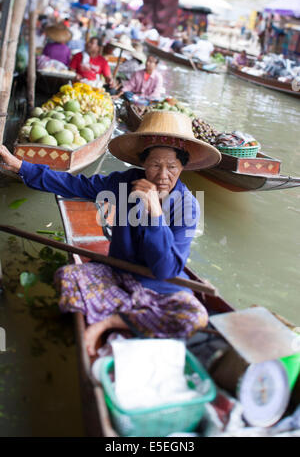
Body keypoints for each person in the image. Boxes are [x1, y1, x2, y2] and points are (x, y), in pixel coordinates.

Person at [0, 111, 221, 356]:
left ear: (183, 166)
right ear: (143, 163)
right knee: (67, 277)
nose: (162, 176)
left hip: (160, 288)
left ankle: (111, 322)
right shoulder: (125, 183)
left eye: (172, 167)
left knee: (195, 317)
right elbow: (76, 185)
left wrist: (155, 214)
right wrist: (21, 166)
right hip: (116, 274)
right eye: (155, 165)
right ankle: (138, 319)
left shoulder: (187, 206)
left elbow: (166, 270)